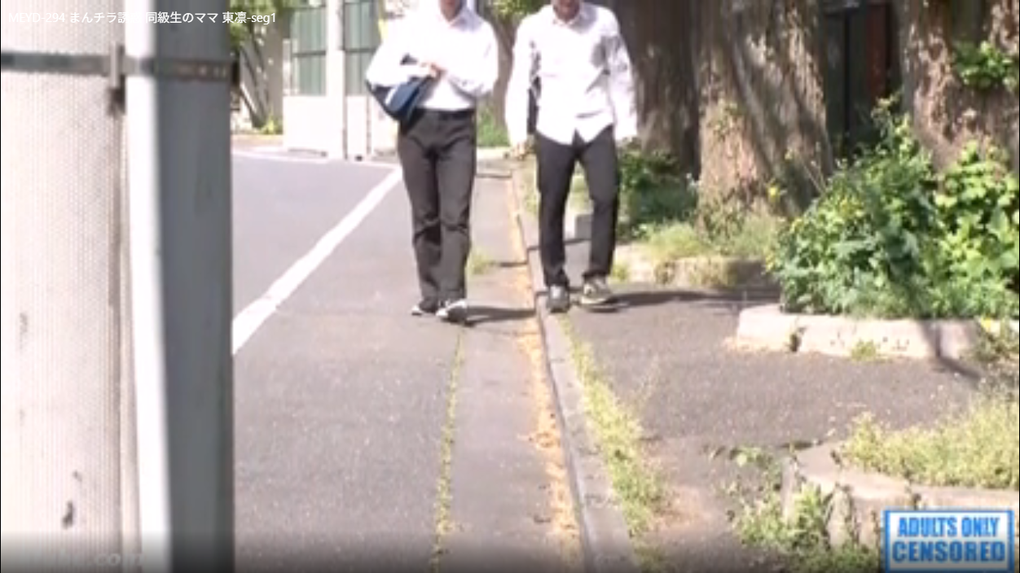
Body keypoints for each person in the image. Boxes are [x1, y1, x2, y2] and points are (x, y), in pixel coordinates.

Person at [365, 0, 498, 322]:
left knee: (456, 215)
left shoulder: (480, 30)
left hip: (458, 126)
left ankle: (453, 295)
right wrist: (419, 70)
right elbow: (376, 73)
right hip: (416, 126)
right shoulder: (414, 24)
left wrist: (449, 69)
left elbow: (485, 83)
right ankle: (432, 294)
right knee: (425, 215)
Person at [505, 0, 637, 312]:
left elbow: (620, 72)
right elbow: (520, 80)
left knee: (606, 195)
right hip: (554, 124)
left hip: (596, 120)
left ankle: (597, 277)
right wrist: (518, 132)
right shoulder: (533, 27)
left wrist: (626, 125)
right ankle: (555, 281)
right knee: (552, 203)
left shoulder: (603, 21)